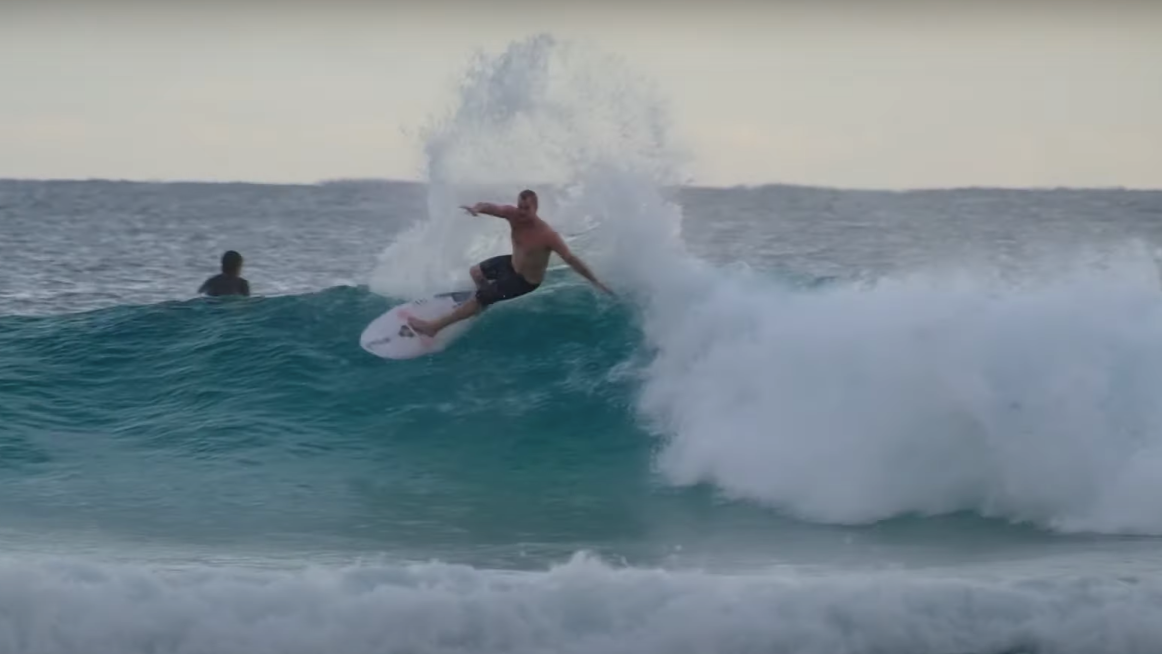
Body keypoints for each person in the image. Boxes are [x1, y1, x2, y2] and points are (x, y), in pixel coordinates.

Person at [407, 189, 612, 337]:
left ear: (536, 208)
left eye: (527, 209)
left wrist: (595, 281)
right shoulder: (513, 215)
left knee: (481, 297)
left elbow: (571, 259)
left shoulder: (547, 235)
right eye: (520, 207)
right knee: (476, 272)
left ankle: (433, 327)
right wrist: (477, 208)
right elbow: (492, 207)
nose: (522, 212)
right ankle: (482, 301)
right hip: (511, 264)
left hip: (525, 281)